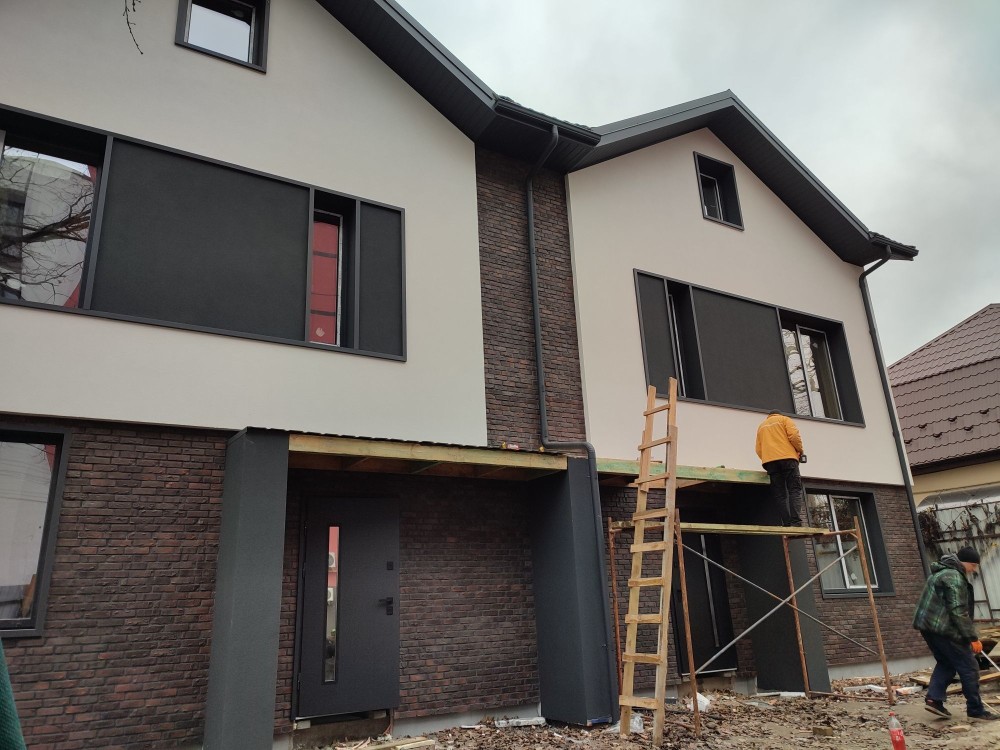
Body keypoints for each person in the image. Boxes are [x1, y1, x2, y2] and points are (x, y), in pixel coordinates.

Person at [913, 546, 997, 721]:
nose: (973, 570)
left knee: (947, 662)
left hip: (928, 627)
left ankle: (934, 700)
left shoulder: (941, 573)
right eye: (973, 566)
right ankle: (976, 710)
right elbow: (958, 610)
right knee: (969, 667)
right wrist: (972, 638)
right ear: (966, 563)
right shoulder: (954, 577)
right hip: (944, 628)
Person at [755, 410, 805, 526]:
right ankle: (796, 522)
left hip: (770, 462)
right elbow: (794, 436)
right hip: (788, 459)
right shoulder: (785, 420)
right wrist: (800, 450)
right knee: (794, 489)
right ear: (779, 414)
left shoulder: (761, 427)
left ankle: (786, 523)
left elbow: (758, 449)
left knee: (780, 493)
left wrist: (767, 457)